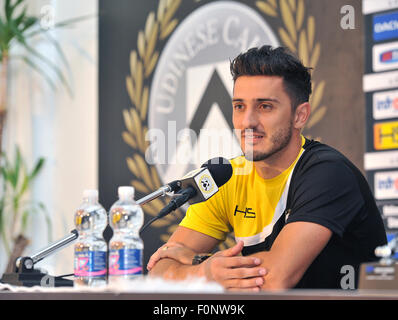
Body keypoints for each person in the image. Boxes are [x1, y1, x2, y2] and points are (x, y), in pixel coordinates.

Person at [147, 45, 387, 291]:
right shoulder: (227, 176)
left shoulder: (328, 173)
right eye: (239, 106)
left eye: (265, 106)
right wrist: (204, 271)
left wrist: (198, 265)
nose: (248, 122)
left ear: (300, 116)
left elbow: (274, 279)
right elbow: (158, 271)